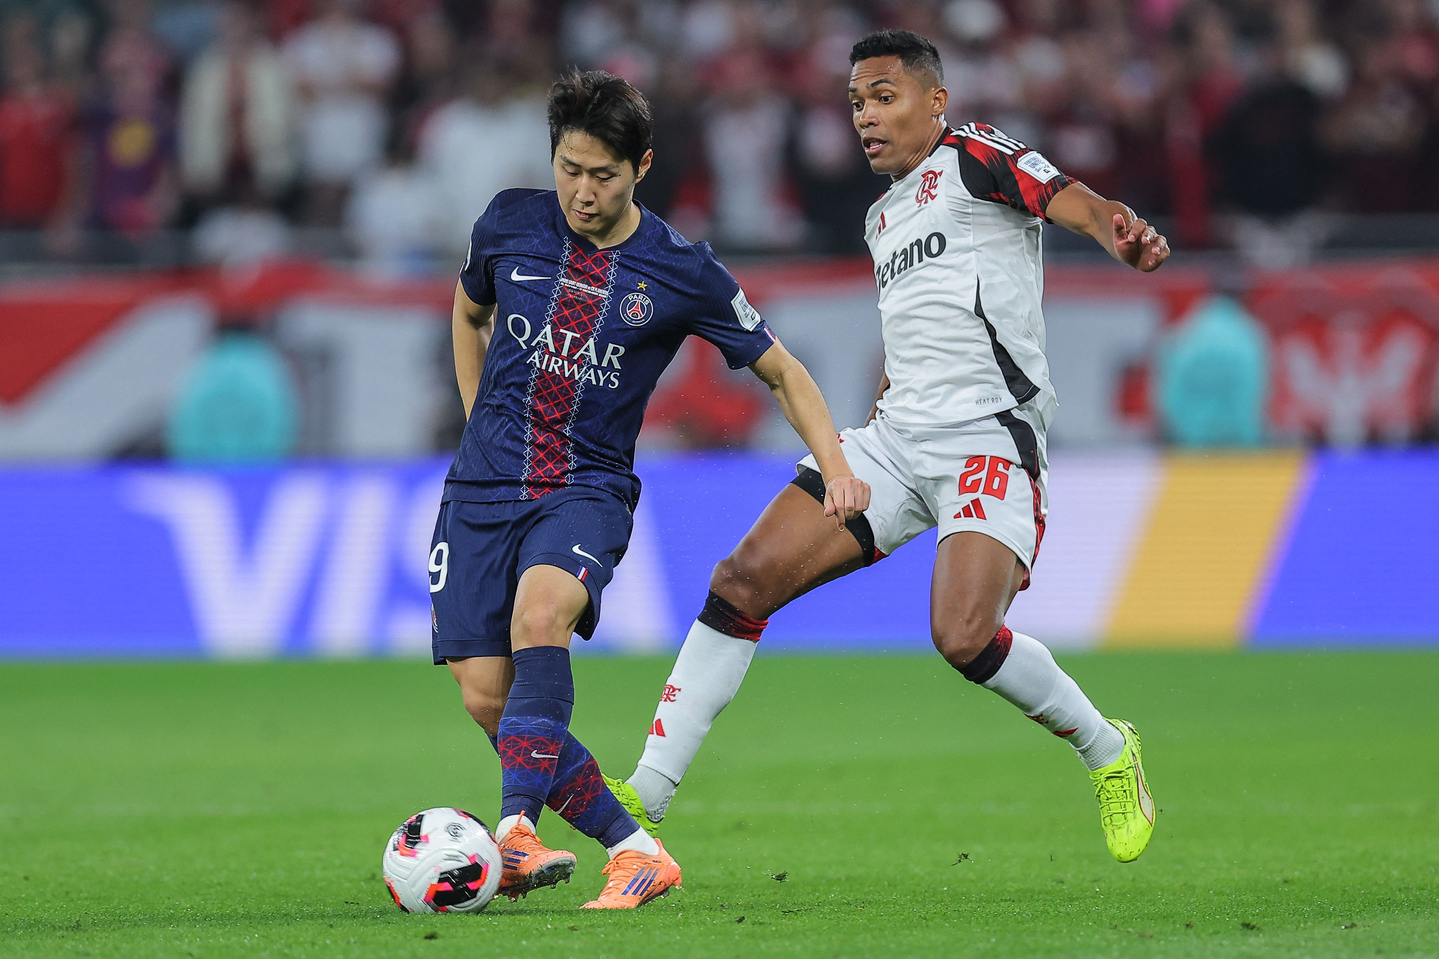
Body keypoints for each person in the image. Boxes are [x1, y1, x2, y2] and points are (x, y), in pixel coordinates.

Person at [607, 29, 1171, 867]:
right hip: (899, 437)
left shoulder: (976, 156)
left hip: (989, 436)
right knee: (740, 580)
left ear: (933, 102)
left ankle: (1106, 748)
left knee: (964, 635)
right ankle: (643, 795)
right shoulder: (881, 216)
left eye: (883, 97)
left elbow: (1067, 197)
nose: (866, 118)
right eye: (856, 103)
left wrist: (1115, 230)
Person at [431, 68, 867, 910]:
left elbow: (780, 371)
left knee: (539, 618)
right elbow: (467, 310)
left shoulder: (679, 269)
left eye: (602, 175)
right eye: (568, 167)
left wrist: (838, 468)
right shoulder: (508, 222)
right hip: (481, 486)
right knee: (488, 696)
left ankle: (513, 833)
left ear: (642, 167)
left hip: (584, 489)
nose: (581, 191)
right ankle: (635, 851)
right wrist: (473, 416)